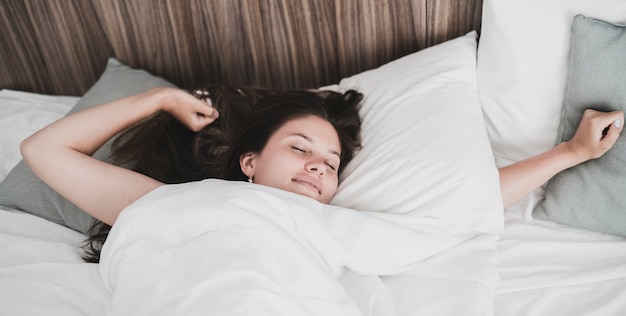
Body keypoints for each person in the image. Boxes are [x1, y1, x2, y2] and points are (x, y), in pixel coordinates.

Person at [20, 87, 623, 262]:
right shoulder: (171, 202)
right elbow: (43, 149)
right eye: (300, 149)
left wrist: (571, 153)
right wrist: (155, 100)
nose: (317, 165)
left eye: (330, 163)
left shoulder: (334, 226)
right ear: (249, 163)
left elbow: (458, 205)